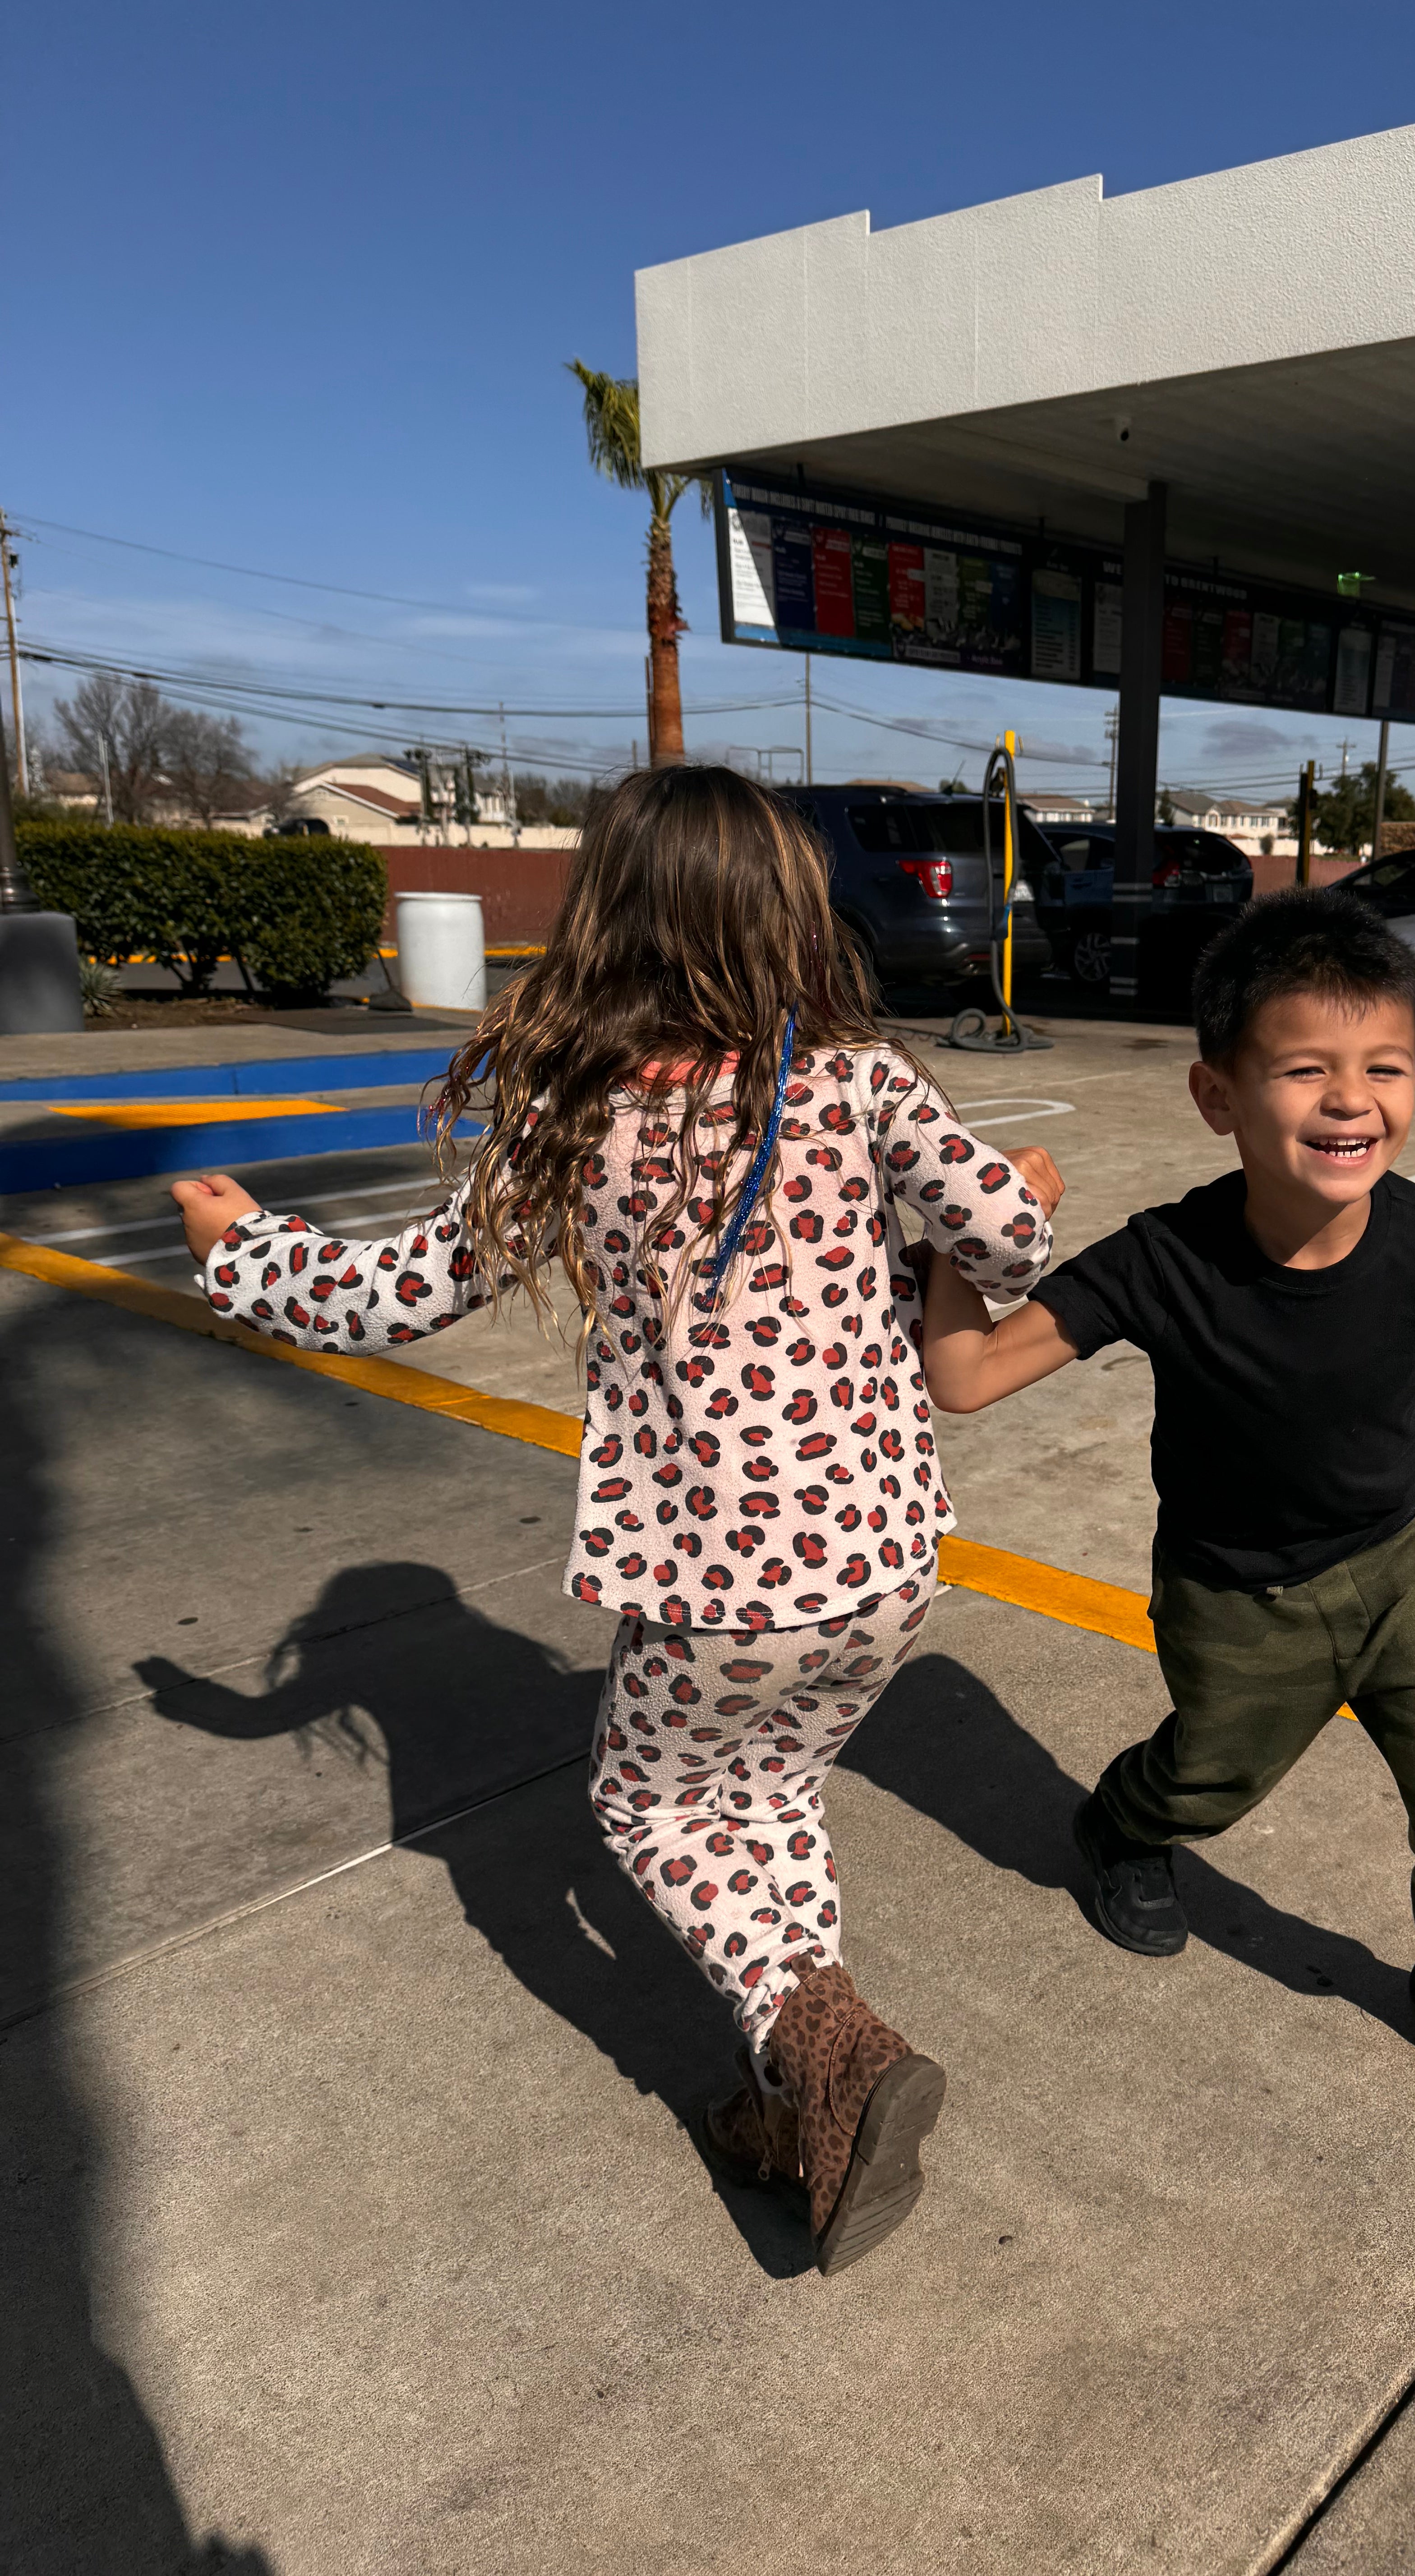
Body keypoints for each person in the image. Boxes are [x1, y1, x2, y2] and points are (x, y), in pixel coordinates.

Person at [168, 764, 1064, 2274]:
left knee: (653, 1805)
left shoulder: (572, 1114)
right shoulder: (862, 1079)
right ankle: (805, 2098)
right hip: (888, 1563)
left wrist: (247, 1251)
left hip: (717, 1580)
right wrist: (1025, 1185)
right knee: (769, 1794)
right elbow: (1012, 1243)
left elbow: (404, 1292)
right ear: (787, 919)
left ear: (608, 921)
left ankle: (821, 2041)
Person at [917, 887, 1415, 2126]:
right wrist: (966, 1236)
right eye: (1305, 1070)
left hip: (1407, 1571)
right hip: (1238, 1598)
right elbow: (966, 1375)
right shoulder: (1164, 1261)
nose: (1350, 1100)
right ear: (1218, 1097)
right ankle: (1120, 1825)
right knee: (1210, 1780)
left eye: (1386, 1067)